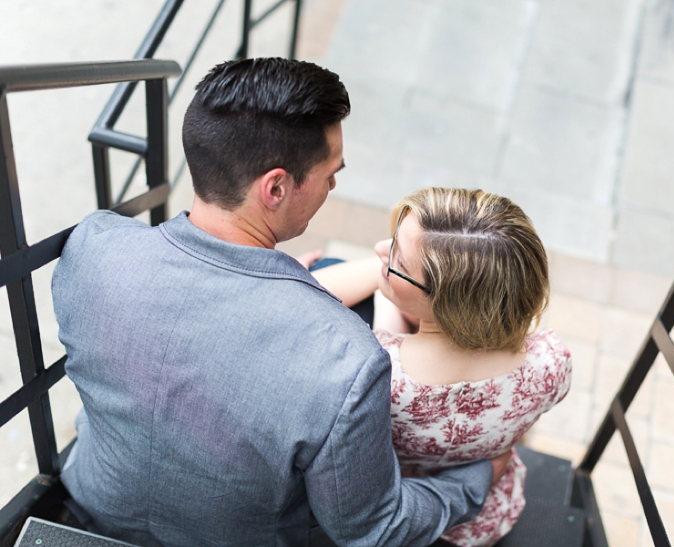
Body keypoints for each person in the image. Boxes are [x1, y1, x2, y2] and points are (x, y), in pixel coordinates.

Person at [52, 58, 503, 547]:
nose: (334, 188)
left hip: (95, 504)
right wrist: (475, 479)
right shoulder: (347, 362)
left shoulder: (91, 248)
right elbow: (375, 528)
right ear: (276, 187)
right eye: (330, 175)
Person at [312, 188, 572, 547]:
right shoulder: (552, 362)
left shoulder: (375, 372)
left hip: (410, 507)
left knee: (326, 268)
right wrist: (398, 278)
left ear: (445, 303)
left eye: (396, 259)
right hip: (485, 519)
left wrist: (381, 280)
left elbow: (304, 297)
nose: (378, 249)